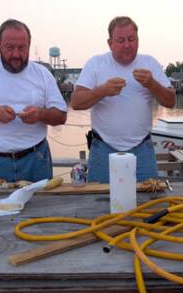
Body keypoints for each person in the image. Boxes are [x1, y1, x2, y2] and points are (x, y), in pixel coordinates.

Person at [0, 19, 67, 182]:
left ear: (29, 45)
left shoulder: (43, 74)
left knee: (40, 208)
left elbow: (61, 116)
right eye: (10, 47)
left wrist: (39, 114)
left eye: (22, 48)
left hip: (36, 160)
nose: (16, 54)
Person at [70, 16, 175, 182]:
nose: (127, 45)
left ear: (138, 40)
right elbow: (75, 102)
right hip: (103, 148)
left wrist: (152, 84)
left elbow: (170, 101)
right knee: (98, 202)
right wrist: (102, 91)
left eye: (131, 39)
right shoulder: (96, 63)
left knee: (148, 201)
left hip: (142, 149)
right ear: (110, 43)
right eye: (121, 40)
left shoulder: (150, 63)